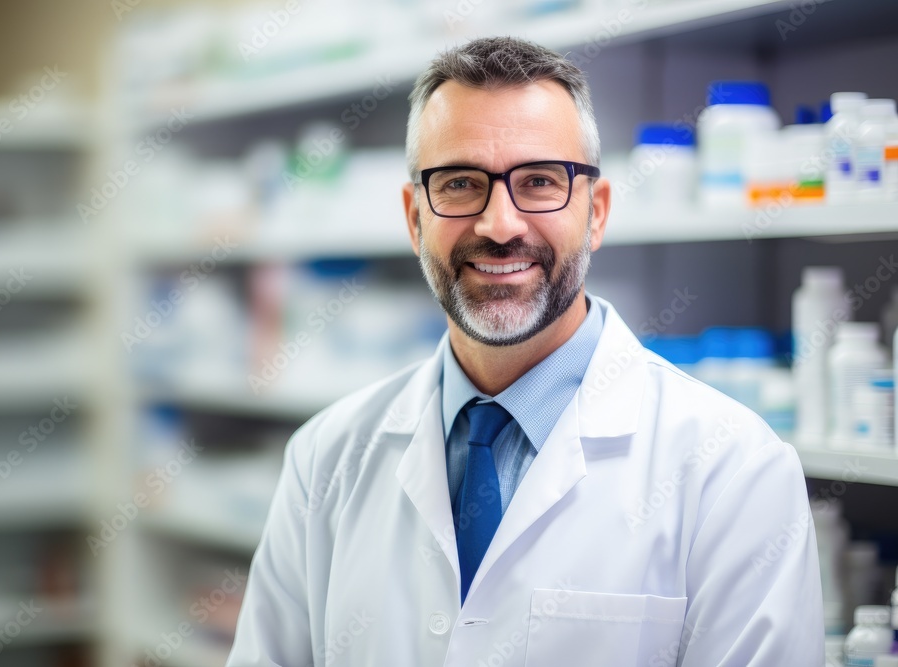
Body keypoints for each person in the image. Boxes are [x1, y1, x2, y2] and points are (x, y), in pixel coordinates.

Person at [227, 36, 824, 666]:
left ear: (596, 212)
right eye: (459, 184)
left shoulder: (734, 470)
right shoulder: (326, 458)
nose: (500, 225)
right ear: (414, 219)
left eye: (539, 181)